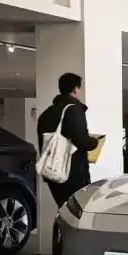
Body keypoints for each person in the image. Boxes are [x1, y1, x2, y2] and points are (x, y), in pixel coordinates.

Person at [37, 73, 99, 207]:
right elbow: (81, 141)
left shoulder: (46, 113)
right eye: (79, 88)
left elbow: (44, 143)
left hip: (52, 171)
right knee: (78, 211)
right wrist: (94, 142)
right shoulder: (74, 109)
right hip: (72, 172)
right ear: (75, 89)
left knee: (64, 209)